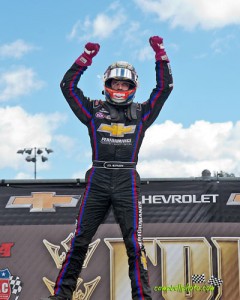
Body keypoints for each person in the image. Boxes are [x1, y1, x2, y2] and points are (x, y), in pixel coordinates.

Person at [44, 36, 173, 300]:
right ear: (107, 84)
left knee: (134, 246)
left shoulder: (142, 113)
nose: (120, 87)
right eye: (116, 82)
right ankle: (61, 296)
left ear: (133, 86)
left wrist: (161, 55)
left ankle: (142, 297)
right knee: (80, 240)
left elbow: (165, 88)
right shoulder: (93, 110)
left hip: (127, 178)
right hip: (98, 178)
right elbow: (67, 86)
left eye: (125, 83)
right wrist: (84, 58)